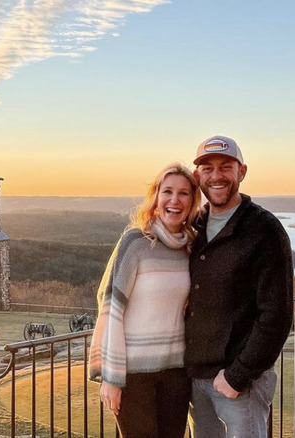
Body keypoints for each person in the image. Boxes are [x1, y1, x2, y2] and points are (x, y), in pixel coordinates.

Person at [185, 135, 294, 438]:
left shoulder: (264, 230)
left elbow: (277, 315)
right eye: (207, 168)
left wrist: (237, 376)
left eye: (226, 167)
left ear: (241, 172)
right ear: (198, 176)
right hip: (197, 380)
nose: (216, 176)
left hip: (240, 384)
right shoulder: (194, 225)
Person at [90, 162, 202, 438]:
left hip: (176, 373)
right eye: (167, 192)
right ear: (156, 197)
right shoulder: (136, 243)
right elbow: (112, 310)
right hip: (134, 375)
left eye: (184, 193)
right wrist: (111, 378)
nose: (174, 200)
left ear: (192, 201)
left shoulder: (190, 247)